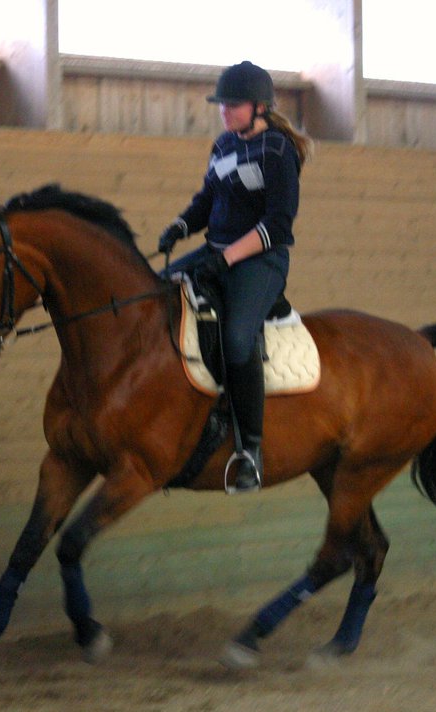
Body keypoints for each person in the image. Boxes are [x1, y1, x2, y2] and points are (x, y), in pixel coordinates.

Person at [158, 60, 312, 492]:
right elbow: (207, 200)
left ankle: (250, 450)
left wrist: (226, 259)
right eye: (222, 104)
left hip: (261, 260)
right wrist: (180, 226)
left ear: (259, 107)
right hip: (217, 252)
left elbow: (277, 225)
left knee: (238, 339)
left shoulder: (277, 151)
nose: (224, 111)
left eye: (233, 104)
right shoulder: (224, 145)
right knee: (154, 291)